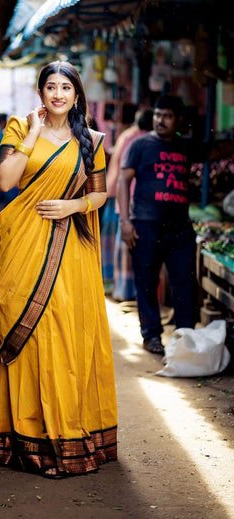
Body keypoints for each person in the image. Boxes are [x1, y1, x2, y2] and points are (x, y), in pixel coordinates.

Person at [0, 61, 117, 479]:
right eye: (50, 87)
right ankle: (24, 440)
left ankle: (64, 440)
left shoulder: (92, 141)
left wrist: (72, 206)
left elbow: (99, 195)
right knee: (29, 332)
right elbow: (5, 182)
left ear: (77, 94)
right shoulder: (20, 130)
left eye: (66, 87)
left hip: (69, 249)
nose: (58, 94)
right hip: (26, 244)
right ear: (40, 93)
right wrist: (35, 135)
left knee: (63, 336)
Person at [118, 95, 202, 354]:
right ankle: (151, 335)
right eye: (157, 115)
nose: (160, 120)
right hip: (145, 226)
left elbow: (216, 150)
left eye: (166, 116)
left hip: (179, 229)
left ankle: (185, 335)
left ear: (177, 120)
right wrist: (125, 222)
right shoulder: (139, 145)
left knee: (184, 283)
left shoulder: (185, 146)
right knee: (146, 281)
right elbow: (123, 181)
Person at [107, 108, 153, 301]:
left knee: (123, 245)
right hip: (133, 198)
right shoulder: (144, 139)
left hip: (119, 195)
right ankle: (128, 292)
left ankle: (121, 289)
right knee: (130, 246)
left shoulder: (127, 136)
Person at [0, 113, 19, 214]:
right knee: (1, 198)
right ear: (2, 122)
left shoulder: (2, 136)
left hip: (4, 170)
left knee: (3, 198)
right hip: (1, 171)